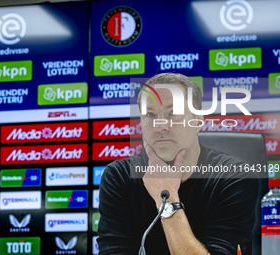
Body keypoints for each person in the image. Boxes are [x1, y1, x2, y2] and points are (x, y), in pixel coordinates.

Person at [97, 73, 259, 255]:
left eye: (172, 113)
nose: (160, 126)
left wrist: (167, 199)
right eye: (150, 114)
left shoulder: (235, 176)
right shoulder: (119, 176)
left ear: (198, 120)